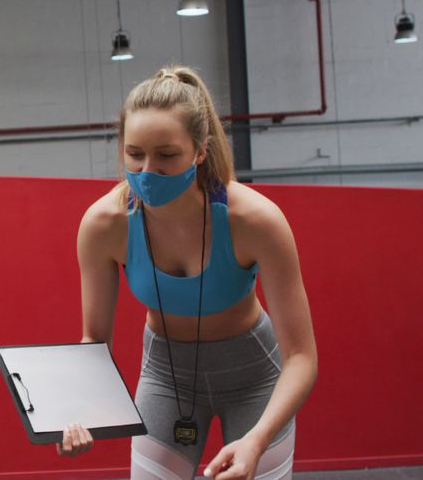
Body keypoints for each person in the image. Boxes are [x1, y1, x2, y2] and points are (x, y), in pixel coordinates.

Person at [56, 66, 317, 480]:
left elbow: (302, 358)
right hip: (166, 376)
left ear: (199, 151)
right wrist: (76, 410)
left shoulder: (254, 220)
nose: (147, 169)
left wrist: (257, 440)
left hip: (252, 376)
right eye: (135, 153)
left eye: (166, 154)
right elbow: (94, 340)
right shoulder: (104, 224)